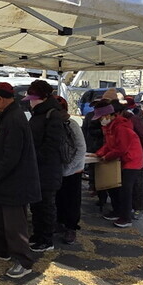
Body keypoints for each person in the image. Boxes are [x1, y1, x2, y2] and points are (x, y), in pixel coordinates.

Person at [0, 82, 39, 279]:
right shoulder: (8, 116)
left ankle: (23, 261)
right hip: (8, 180)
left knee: (15, 224)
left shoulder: (14, 119)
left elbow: (11, 156)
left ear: (1, 99)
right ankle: (0, 249)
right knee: (0, 218)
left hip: (16, 181)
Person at [24, 80, 65, 252]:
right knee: (36, 205)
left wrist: (35, 158)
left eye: (33, 99)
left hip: (47, 169)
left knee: (46, 205)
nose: (31, 102)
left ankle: (46, 240)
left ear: (43, 98)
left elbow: (52, 145)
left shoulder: (53, 115)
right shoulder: (38, 114)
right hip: (36, 169)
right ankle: (37, 235)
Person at [92, 101, 143, 228]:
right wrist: (98, 154)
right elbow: (109, 145)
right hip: (123, 160)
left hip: (131, 161)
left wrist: (105, 157)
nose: (100, 121)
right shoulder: (110, 126)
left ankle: (126, 218)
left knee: (125, 190)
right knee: (115, 188)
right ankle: (117, 211)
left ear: (108, 115)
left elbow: (121, 148)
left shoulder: (121, 127)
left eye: (100, 118)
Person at [54, 96, 86, 245]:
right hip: (59, 168)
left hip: (74, 170)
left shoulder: (72, 124)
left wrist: (70, 167)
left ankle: (71, 228)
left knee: (72, 200)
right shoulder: (54, 124)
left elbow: (81, 148)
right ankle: (59, 222)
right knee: (59, 198)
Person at [114, 99, 143, 218]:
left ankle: (138, 209)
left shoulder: (132, 119)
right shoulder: (115, 121)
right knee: (125, 185)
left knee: (137, 184)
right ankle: (125, 208)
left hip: (136, 155)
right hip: (124, 157)